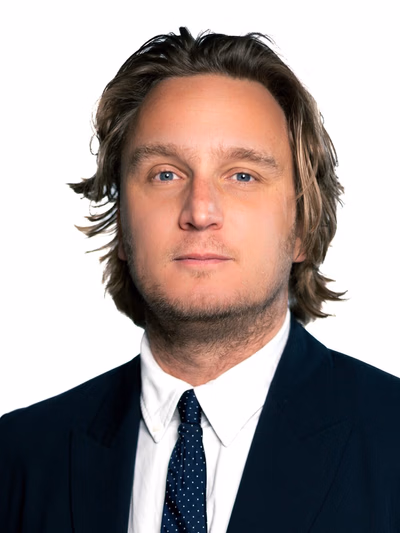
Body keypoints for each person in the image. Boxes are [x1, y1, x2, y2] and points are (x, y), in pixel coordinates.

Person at [1, 27, 400, 533]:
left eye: (242, 175)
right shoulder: (17, 457)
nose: (200, 211)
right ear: (121, 221)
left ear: (303, 226)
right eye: (165, 174)